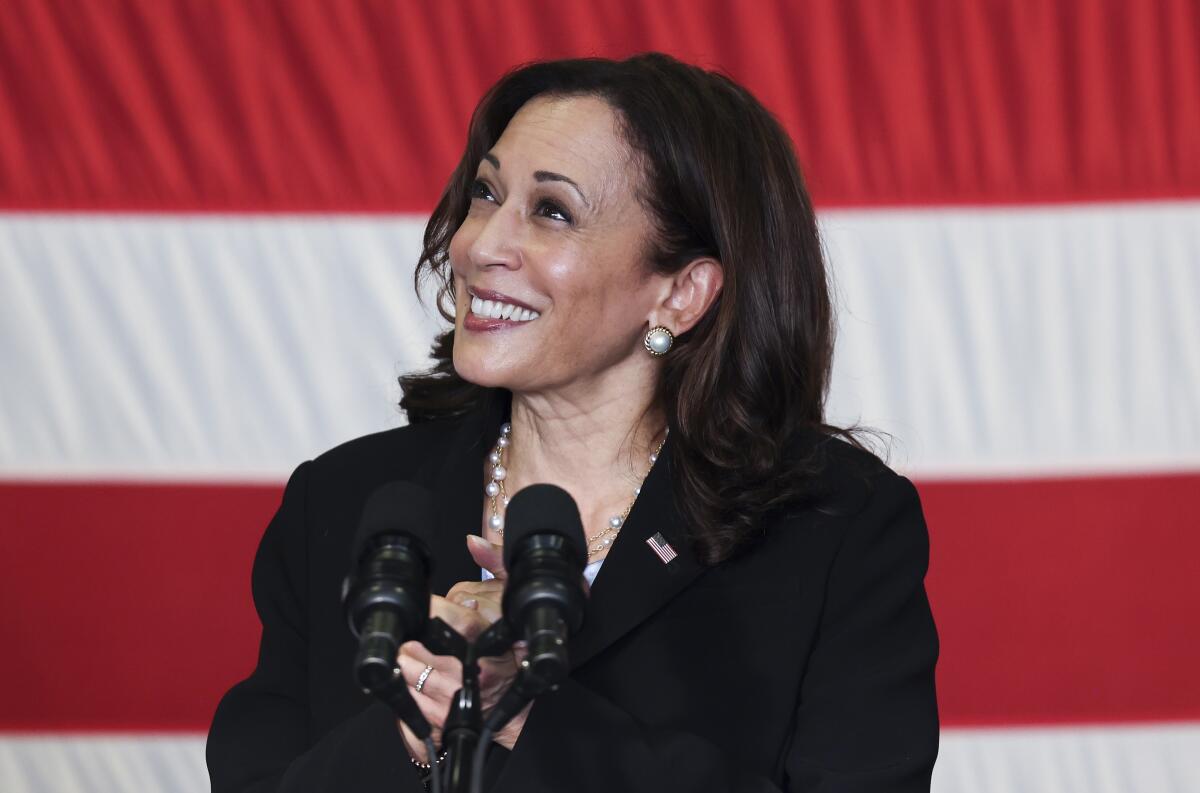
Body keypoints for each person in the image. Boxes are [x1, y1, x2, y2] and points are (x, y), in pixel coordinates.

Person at [207, 53, 939, 792]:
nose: (479, 245)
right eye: (487, 194)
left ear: (681, 293)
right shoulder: (342, 500)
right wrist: (415, 723)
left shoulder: (834, 529)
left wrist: (527, 717)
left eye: (552, 211)